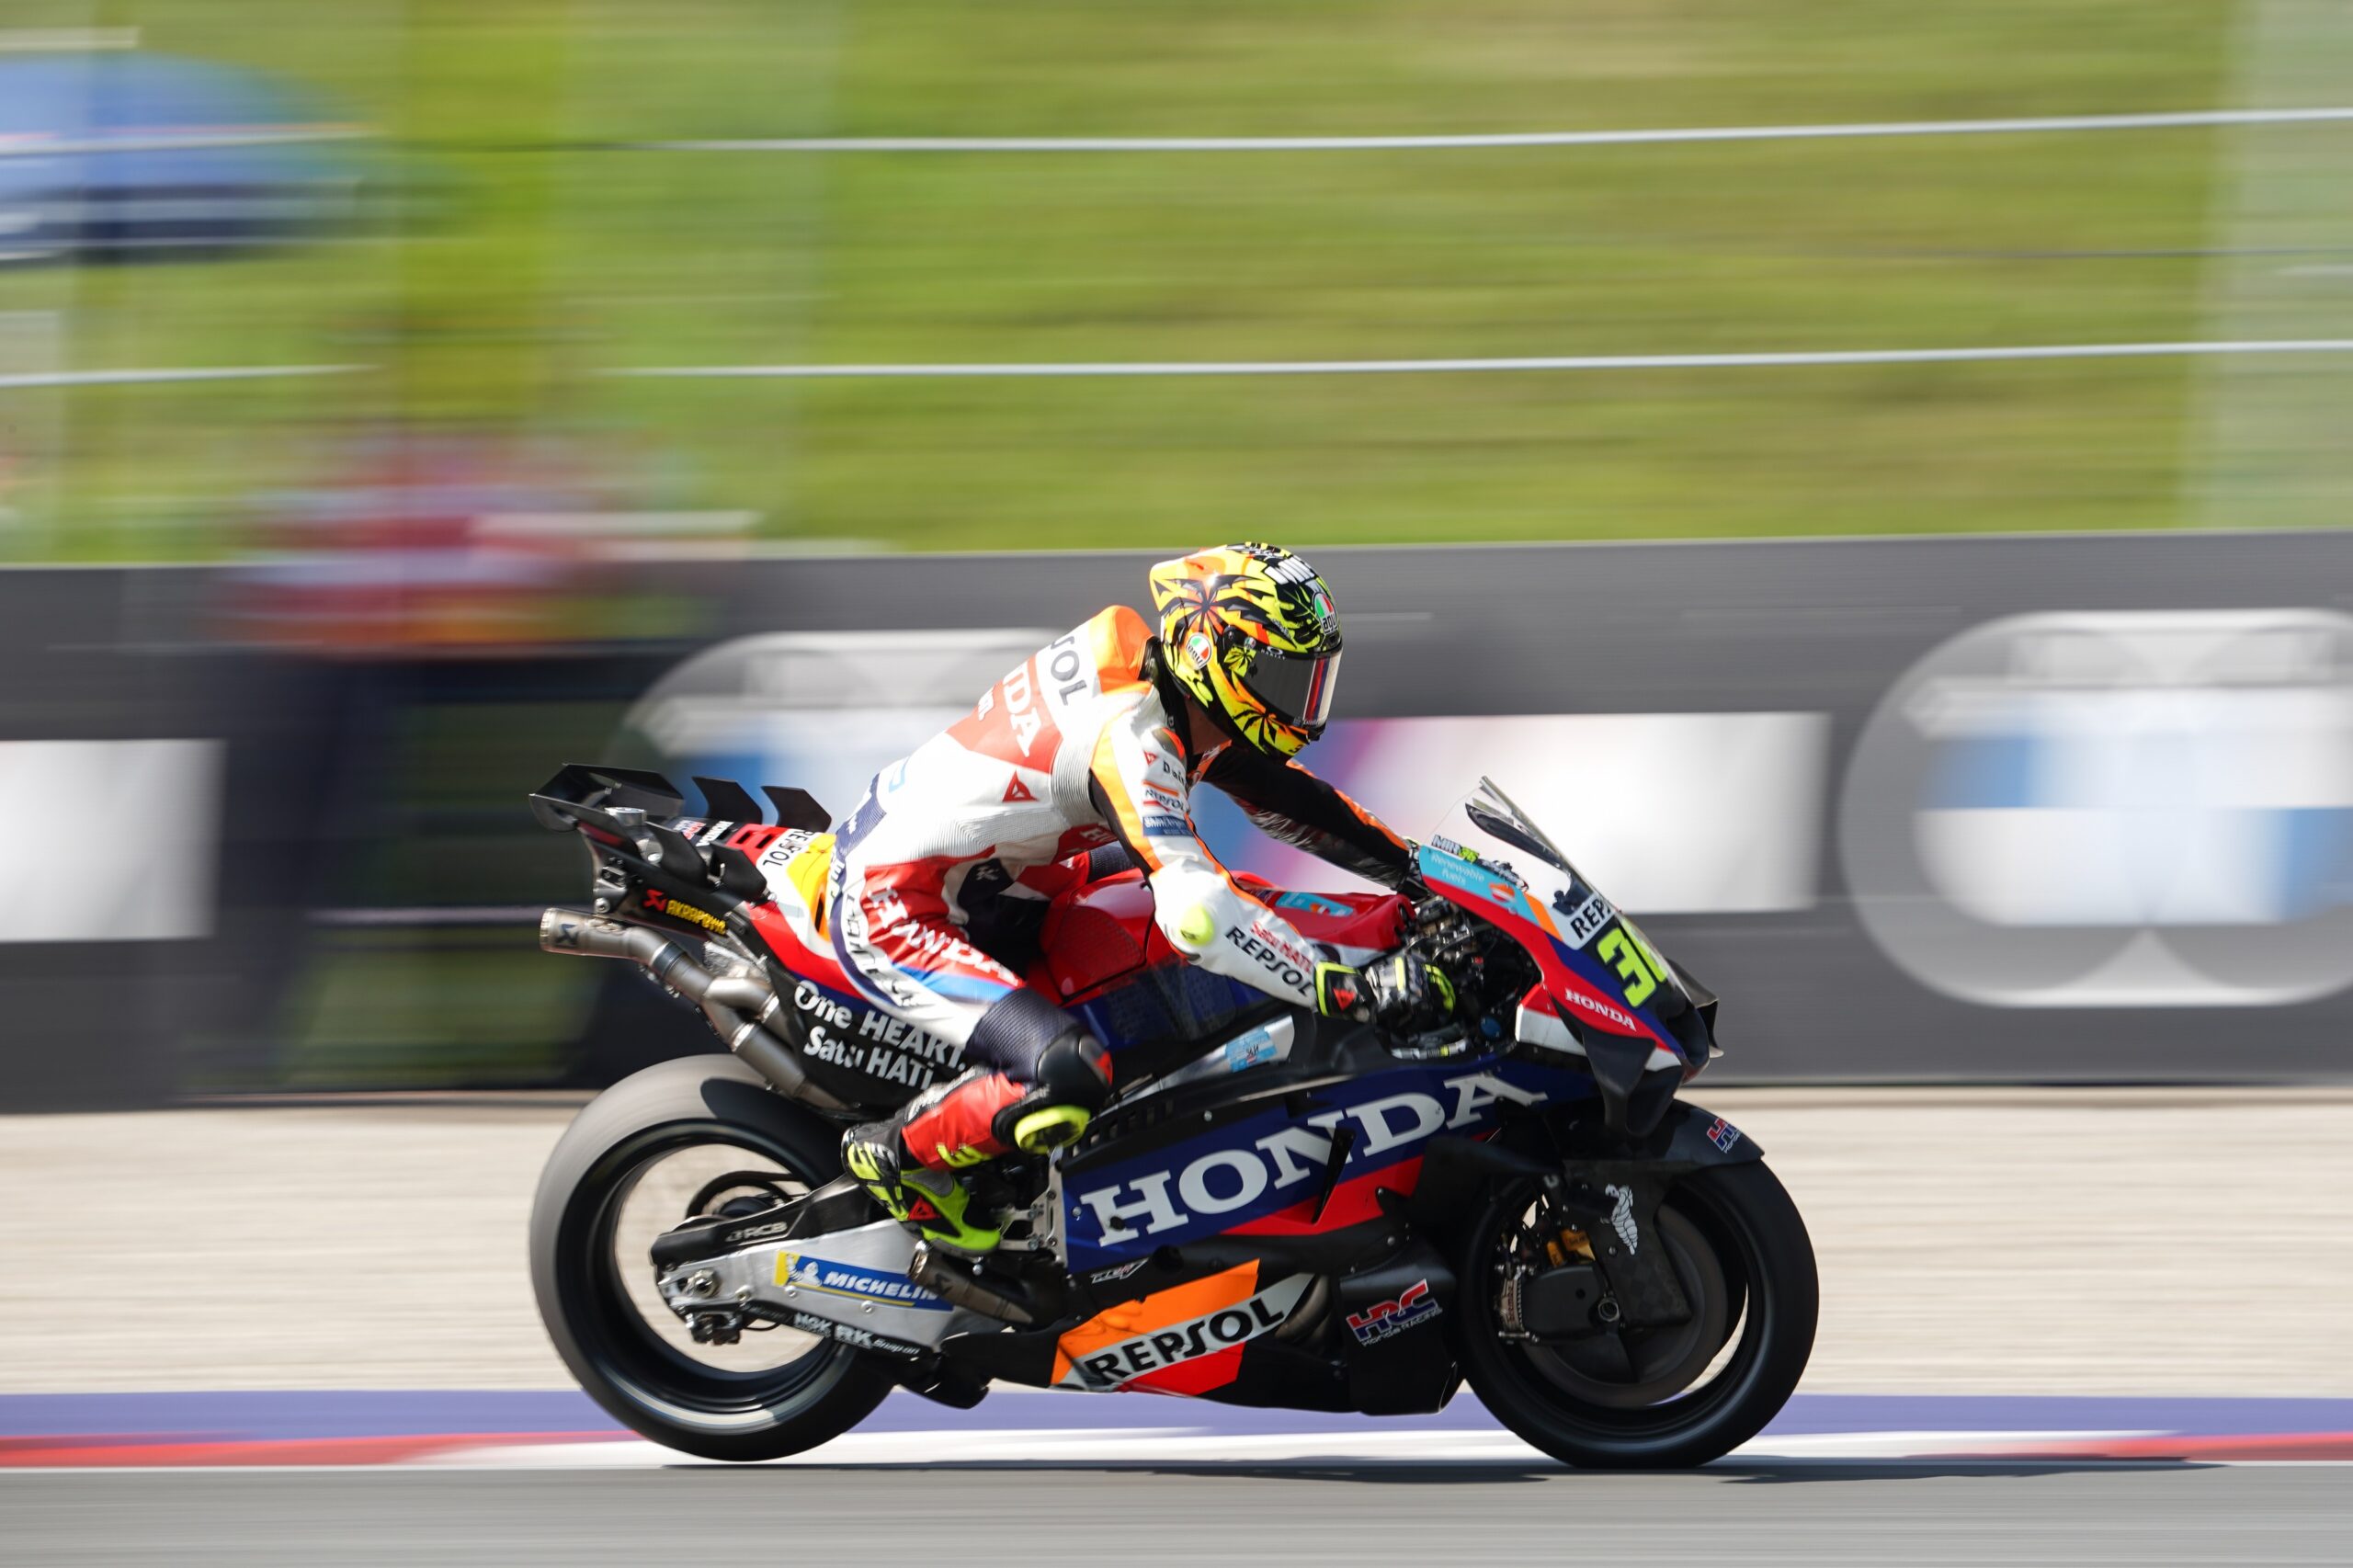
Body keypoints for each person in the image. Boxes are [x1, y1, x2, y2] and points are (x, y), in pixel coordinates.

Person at [834, 543, 1456, 1252]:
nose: (1303, 700)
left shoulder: (1169, 686)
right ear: (1209, 649)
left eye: (1313, 676)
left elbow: (1288, 799)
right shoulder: (1130, 736)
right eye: (1284, 674)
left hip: (1004, 884)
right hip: (901, 905)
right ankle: (897, 1153)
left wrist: (1422, 872)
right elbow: (1200, 918)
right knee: (1068, 1073)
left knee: (1165, 921)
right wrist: (1349, 991)